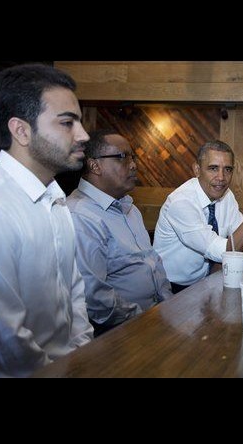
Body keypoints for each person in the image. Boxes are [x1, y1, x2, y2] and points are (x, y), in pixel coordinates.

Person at [0, 63, 93, 377]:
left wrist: (83, 357)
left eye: (80, 122)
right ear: (21, 130)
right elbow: (5, 340)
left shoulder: (57, 200)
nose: (83, 135)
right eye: (67, 122)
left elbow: (74, 293)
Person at [67, 128, 173, 337]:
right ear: (94, 165)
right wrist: (146, 320)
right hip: (118, 331)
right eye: (122, 157)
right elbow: (95, 298)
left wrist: (170, 309)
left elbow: (153, 265)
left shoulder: (129, 208)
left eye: (133, 157)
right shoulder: (81, 215)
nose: (133, 165)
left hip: (155, 318)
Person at [154, 140, 243, 293]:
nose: (221, 177)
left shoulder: (226, 195)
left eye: (227, 169)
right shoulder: (182, 202)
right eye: (213, 168)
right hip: (170, 288)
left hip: (206, 282)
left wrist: (225, 256)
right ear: (197, 169)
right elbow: (229, 248)